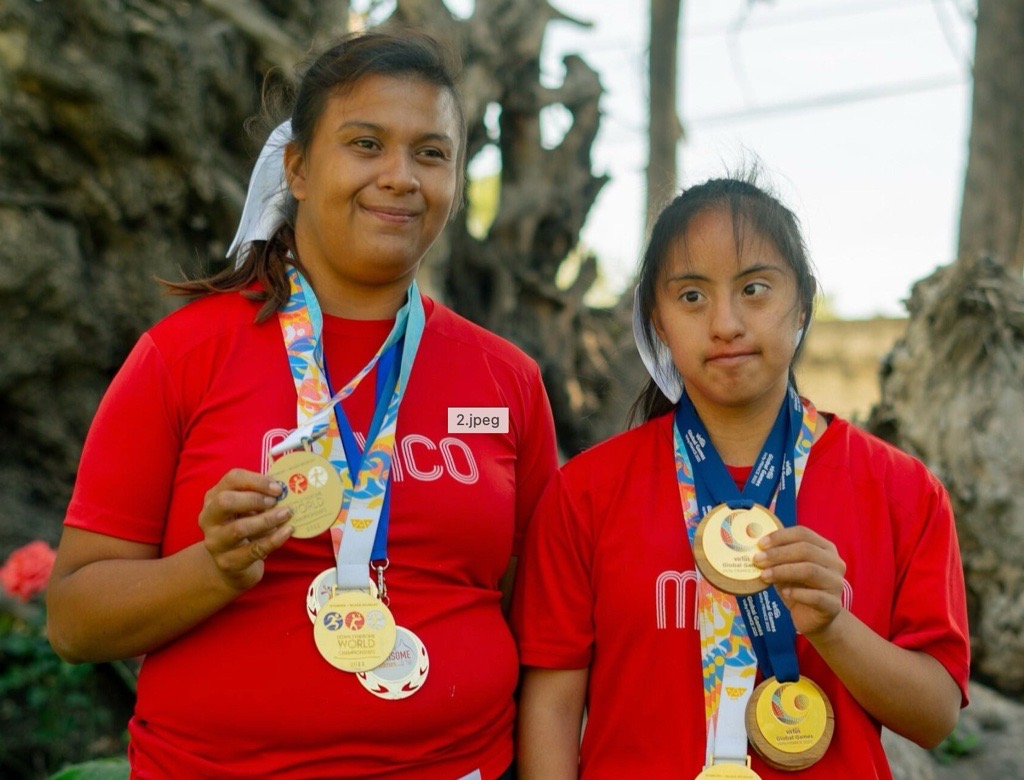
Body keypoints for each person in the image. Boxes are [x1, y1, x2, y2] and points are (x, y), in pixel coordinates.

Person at [46, 30, 558, 780]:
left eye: (431, 153)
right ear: (298, 169)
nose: (400, 177)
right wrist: (213, 568)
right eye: (365, 144)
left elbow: (543, 627)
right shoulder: (182, 356)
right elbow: (72, 619)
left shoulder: (505, 380)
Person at [511, 174, 970, 779]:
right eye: (692, 296)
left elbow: (934, 716)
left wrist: (834, 628)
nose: (725, 323)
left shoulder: (903, 491)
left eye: (754, 289)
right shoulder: (586, 493)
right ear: (657, 320)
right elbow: (552, 710)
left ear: (802, 301)